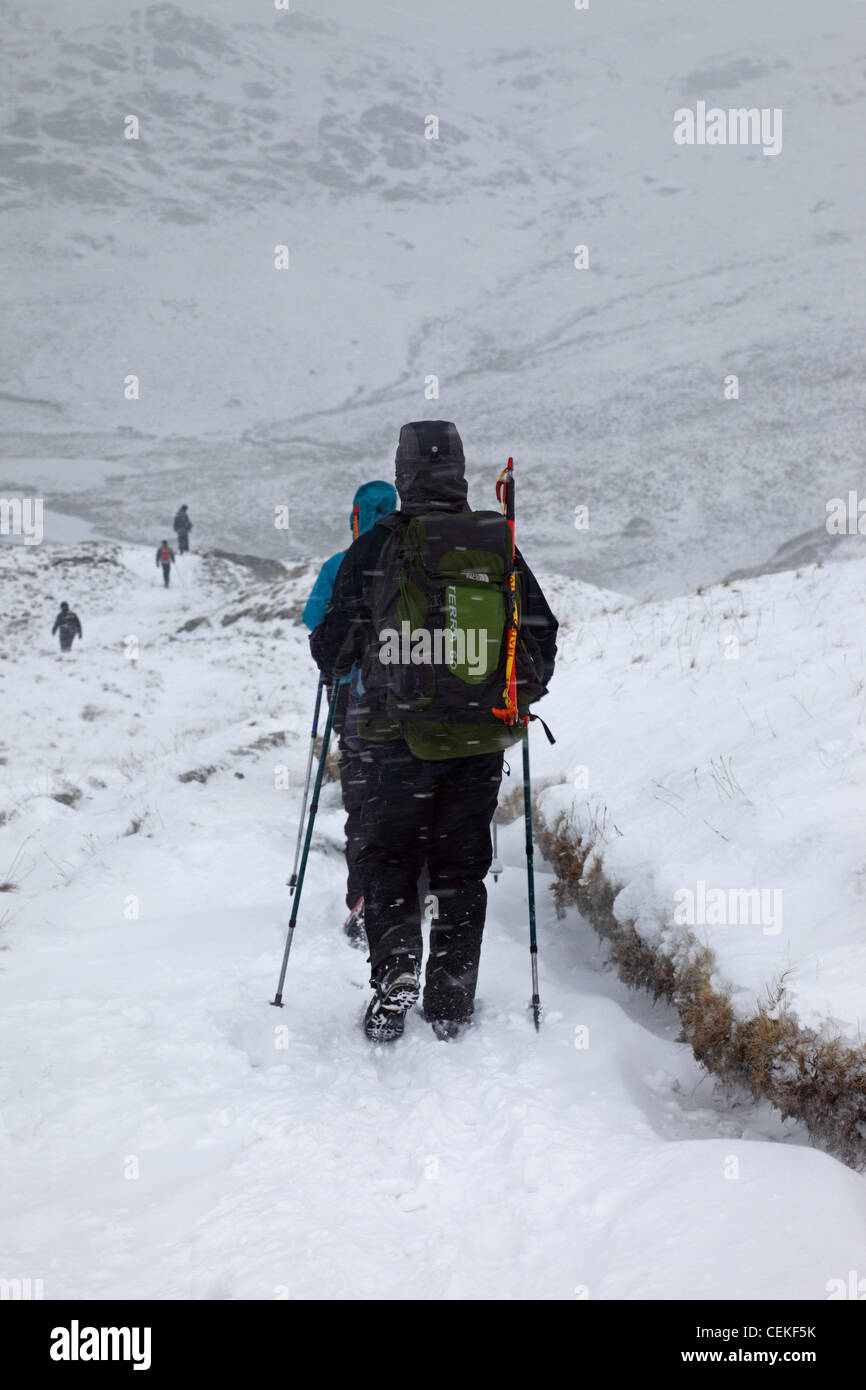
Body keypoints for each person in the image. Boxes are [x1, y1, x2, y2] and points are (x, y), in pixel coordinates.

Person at [310, 421, 557, 1043]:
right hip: (478, 743)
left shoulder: (377, 546)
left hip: (392, 740)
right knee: (461, 869)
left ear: (404, 474)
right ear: (460, 473)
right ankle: (450, 1001)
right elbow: (541, 635)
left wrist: (356, 659)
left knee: (389, 857)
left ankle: (395, 968)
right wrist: (514, 694)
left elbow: (332, 647)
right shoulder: (493, 540)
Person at [303, 480, 397, 945]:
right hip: (415, 707)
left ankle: (363, 897)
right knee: (410, 806)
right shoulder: (415, 559)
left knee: (363, 807)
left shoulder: (341, 565)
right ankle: (414, 898)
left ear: (356, 517)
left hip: (355, 705)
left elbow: (315, 624)